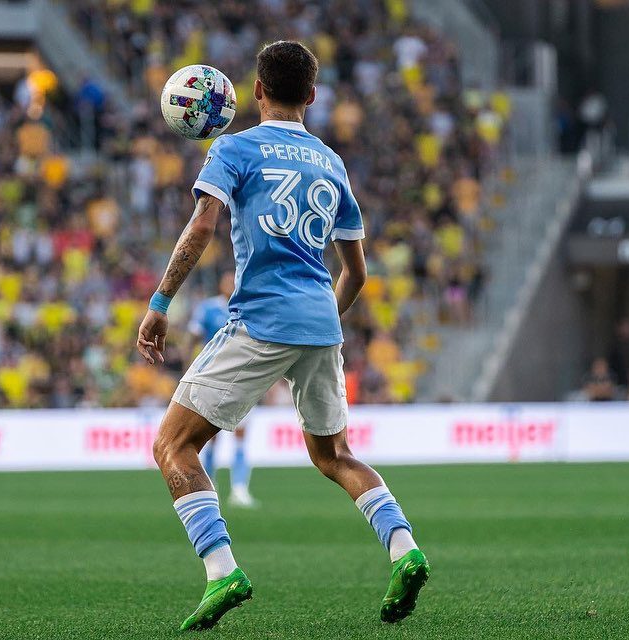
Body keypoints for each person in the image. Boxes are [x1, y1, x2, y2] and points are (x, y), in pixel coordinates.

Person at [136, 41, 429, 631]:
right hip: (320, 321)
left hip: (261, 319)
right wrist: (321, 322)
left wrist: (160, 302)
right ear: (313, 97)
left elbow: (202, 225)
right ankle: (405, 549)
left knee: (173, 445)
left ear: (257, 92)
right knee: (335, 454)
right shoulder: (330, 162)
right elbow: (358, 272)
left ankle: (223, 571)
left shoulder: (233, 148)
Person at [186, 270, 255, 507]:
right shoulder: (208, 309)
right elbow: (193, 339)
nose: (232, 284)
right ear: (220, 284)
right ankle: (209, 486)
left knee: (240, 436)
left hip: (244, 380)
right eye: (228, 280)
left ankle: (239, 489)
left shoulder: (249, 306)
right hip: (213, 379)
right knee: (210, 437)